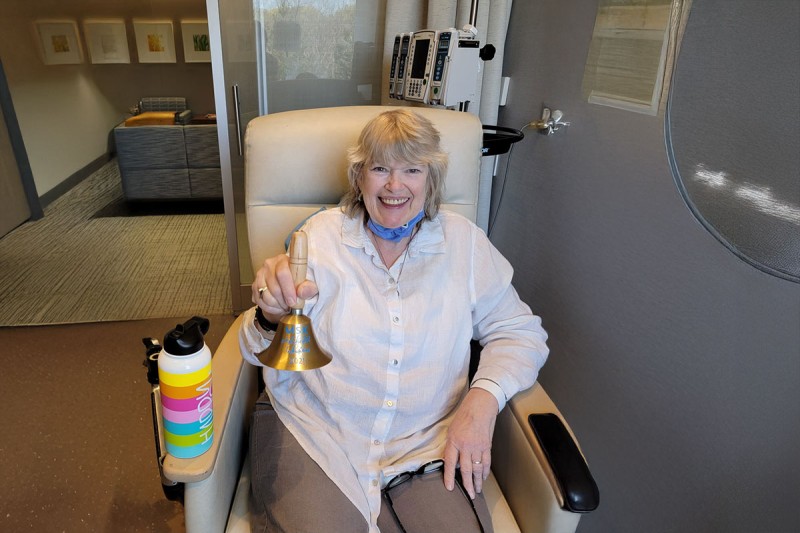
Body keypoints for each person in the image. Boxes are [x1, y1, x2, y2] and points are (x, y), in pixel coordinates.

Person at [239, 108, 548, 533]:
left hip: (423, 442)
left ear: (432, 178)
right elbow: (257, 350)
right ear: (358, 176)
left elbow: (520, 332)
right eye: (379, 168)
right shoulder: (318, 239)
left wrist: (483, 401)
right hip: (317, 429)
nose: (395, 185)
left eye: (412, 170)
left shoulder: (465, 245)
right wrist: (269, 314)